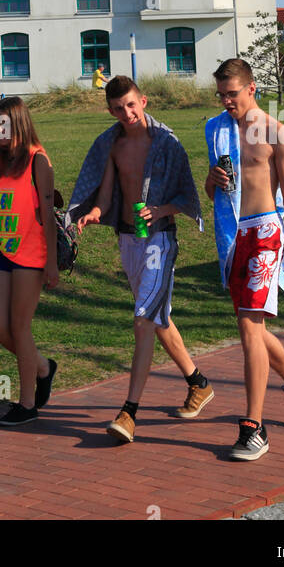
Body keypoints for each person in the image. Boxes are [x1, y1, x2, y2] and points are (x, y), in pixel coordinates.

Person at [68, 75, 212, 443]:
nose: (126, 113)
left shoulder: (167, 143)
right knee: (159, 319)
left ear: (143, 101)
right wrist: (95, 212)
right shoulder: (111, 144)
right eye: (117, 108)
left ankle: (129, 412)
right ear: (110, 110)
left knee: (143, 321)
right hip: (130, 242)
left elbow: (187, 197)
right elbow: (106, 193)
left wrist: (160, 208)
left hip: (160, 242)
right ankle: (199, 384)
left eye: (131, 105)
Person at [205, 57, 284, 462]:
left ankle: (254, 428)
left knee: (250, 329)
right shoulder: (216, 129)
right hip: (233, 235)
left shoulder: (278, 134)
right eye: (221, 95)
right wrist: (211, 180)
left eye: (232, 94)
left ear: (252, 88)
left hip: (266, 232)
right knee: (249, 325)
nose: (226, 102)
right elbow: (213, 187)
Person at [0, 97, 59, 426]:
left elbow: (47, 214)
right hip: (4, 252)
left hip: (33, 255)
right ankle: (43, 367)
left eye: (5, 125)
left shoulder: (38, 161)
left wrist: (52, 263)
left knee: (20, 326)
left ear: (19, 125)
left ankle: (27, 403)